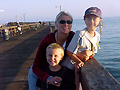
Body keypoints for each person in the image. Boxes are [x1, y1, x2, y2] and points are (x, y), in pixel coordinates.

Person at [28, 11, 75, 90]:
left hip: (57, 70)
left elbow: (83, 49)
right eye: (62, 22)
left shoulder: (73, 37)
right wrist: (48, 78)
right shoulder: (48, 39)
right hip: (40, 71)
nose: (66, 24)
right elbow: (36, 66)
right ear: (56, 24)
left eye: (69, 22)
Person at [66, 7, 102, 90]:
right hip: (70, 69)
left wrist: (89, 54)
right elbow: (69, 52)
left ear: (100, 20)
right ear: (84, 20)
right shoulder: (80, 34)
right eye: (89, 19)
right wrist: (79, 60)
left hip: (82, 67)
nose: (91, 22)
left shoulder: (97, 35)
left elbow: (93, 52)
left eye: (94, 19)